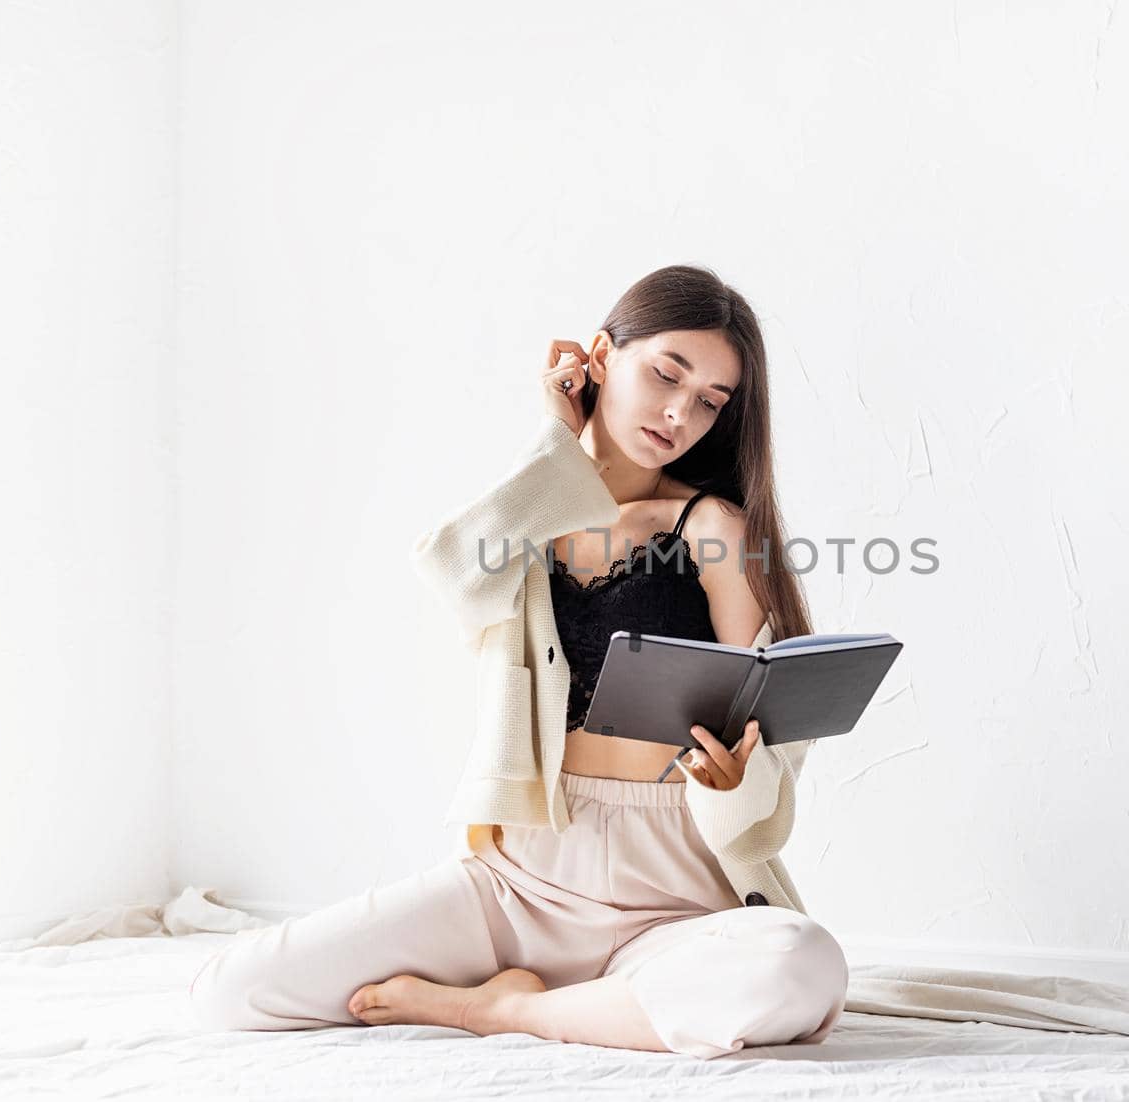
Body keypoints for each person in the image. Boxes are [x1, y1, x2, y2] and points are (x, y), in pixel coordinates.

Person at [186, 264, 847, 1060]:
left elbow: (763, 717)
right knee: (231, 990)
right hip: (520, 883)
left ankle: (505, 1012)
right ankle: (587, 1005)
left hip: (678, 897)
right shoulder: (533, 518)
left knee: (799, 966)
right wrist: (556, 442)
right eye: (665, 373)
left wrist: (738, 780)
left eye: (709, 400)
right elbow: (455, 572)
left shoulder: (712, 525)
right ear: (600, 357)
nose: (679, 411)